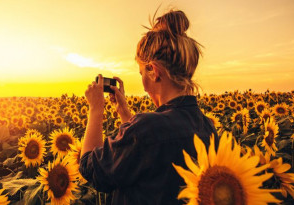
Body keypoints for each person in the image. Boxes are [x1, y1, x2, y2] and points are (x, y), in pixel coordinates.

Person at [80, 9, 218, 204]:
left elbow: (90, 168)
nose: (143, 83)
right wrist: (124, 113)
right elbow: (152, 157)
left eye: (141, 73)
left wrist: (95, 109)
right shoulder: (208, 127)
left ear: (154, 71)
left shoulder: (147, 129)